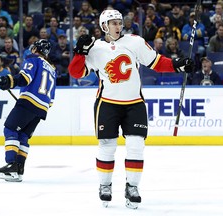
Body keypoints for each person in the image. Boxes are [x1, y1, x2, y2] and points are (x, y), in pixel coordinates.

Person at [68, 9, 193, 209]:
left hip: (134, 103)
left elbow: (157, 62)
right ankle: (105, 185)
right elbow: (76, 73)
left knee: (136, 145)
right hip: (107, 103)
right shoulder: (95, 48)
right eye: (114, 23)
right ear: (104, 26)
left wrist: (177, 65)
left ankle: (132, 187)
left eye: (119, 22)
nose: (119, 26)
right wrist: (80, 52)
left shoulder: (134, 42)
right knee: (107, 146)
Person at [0, 39, 57, 182]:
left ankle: (11, 165)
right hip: (42, 109)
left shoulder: (33, 59)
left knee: (10, 129)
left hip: (28, 103)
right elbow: (51, 99)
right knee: (23, 136)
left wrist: (9, 82)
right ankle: (19, 169)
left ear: (36, 49)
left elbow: (24, 78)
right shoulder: (52, 70)